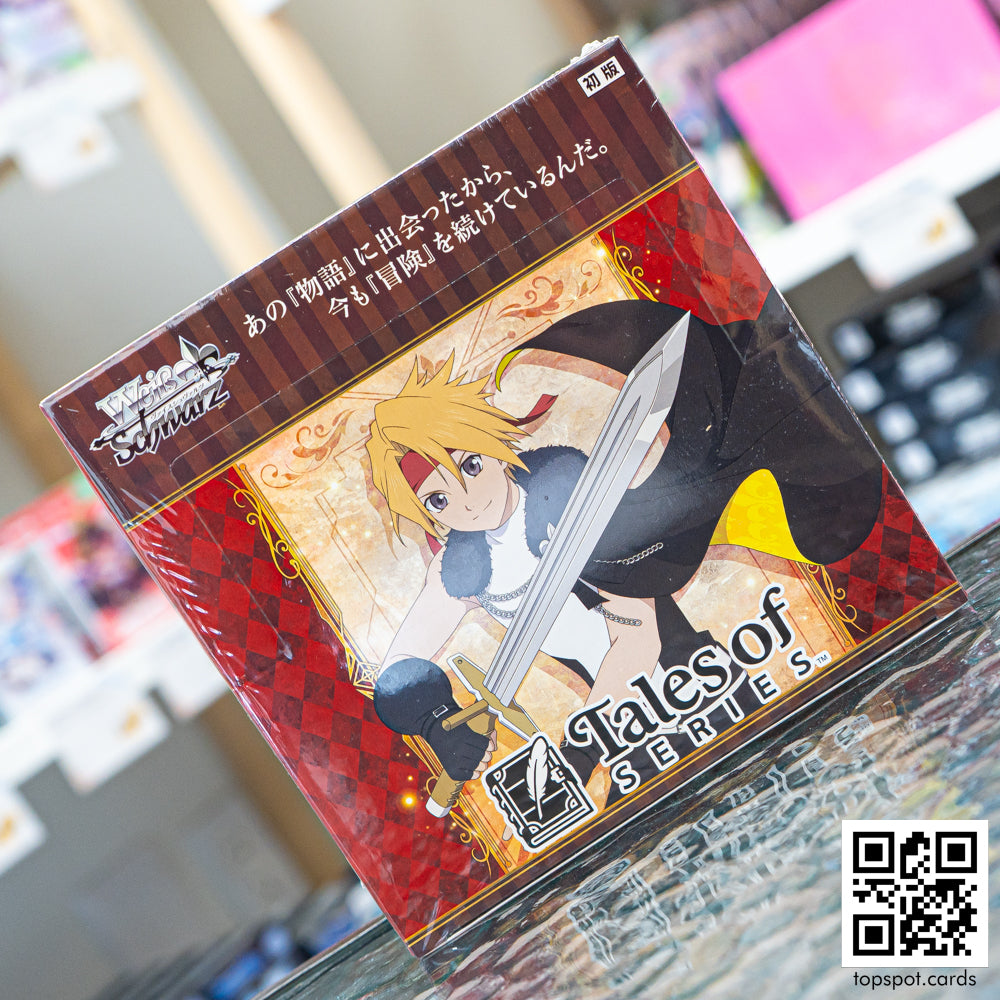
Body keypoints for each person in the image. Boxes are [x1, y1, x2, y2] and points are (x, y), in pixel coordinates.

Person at [368, 290, 884, 795]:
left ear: (494, 448)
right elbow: (397, 665)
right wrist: (437, 721)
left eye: (471, 465)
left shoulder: (569, 493)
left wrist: (580, 750)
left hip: (695, 688)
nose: (467, 501)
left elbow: (638, 638)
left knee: (811, 777)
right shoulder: (462, 566)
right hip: (629, 740)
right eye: (437, 500)